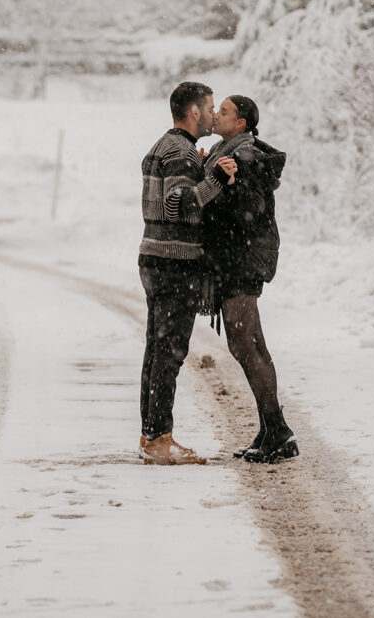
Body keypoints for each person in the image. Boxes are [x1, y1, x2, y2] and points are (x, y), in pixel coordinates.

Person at [137, 81, 237, 465]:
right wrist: (214, 180)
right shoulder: (180, 152)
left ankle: (152, 436)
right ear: (194, 111)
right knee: (170, 352)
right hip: (174, 262)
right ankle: (160, 439)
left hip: (153, 257)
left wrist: (200, 168)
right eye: (210, 107)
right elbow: (177, 205)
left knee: (157, 350)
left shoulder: (165, 146)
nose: (213, 115)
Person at [202, 95, 297, 464]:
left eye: (223, 112)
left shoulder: (245, 158)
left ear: (240, 123)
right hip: (237, 259)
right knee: (252, 344)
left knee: (244, 345)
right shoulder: (232, 153)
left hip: (240, 261)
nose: (216, 115)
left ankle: (278, 430)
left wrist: (224, 181)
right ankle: (271, 428)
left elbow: (249, 211)